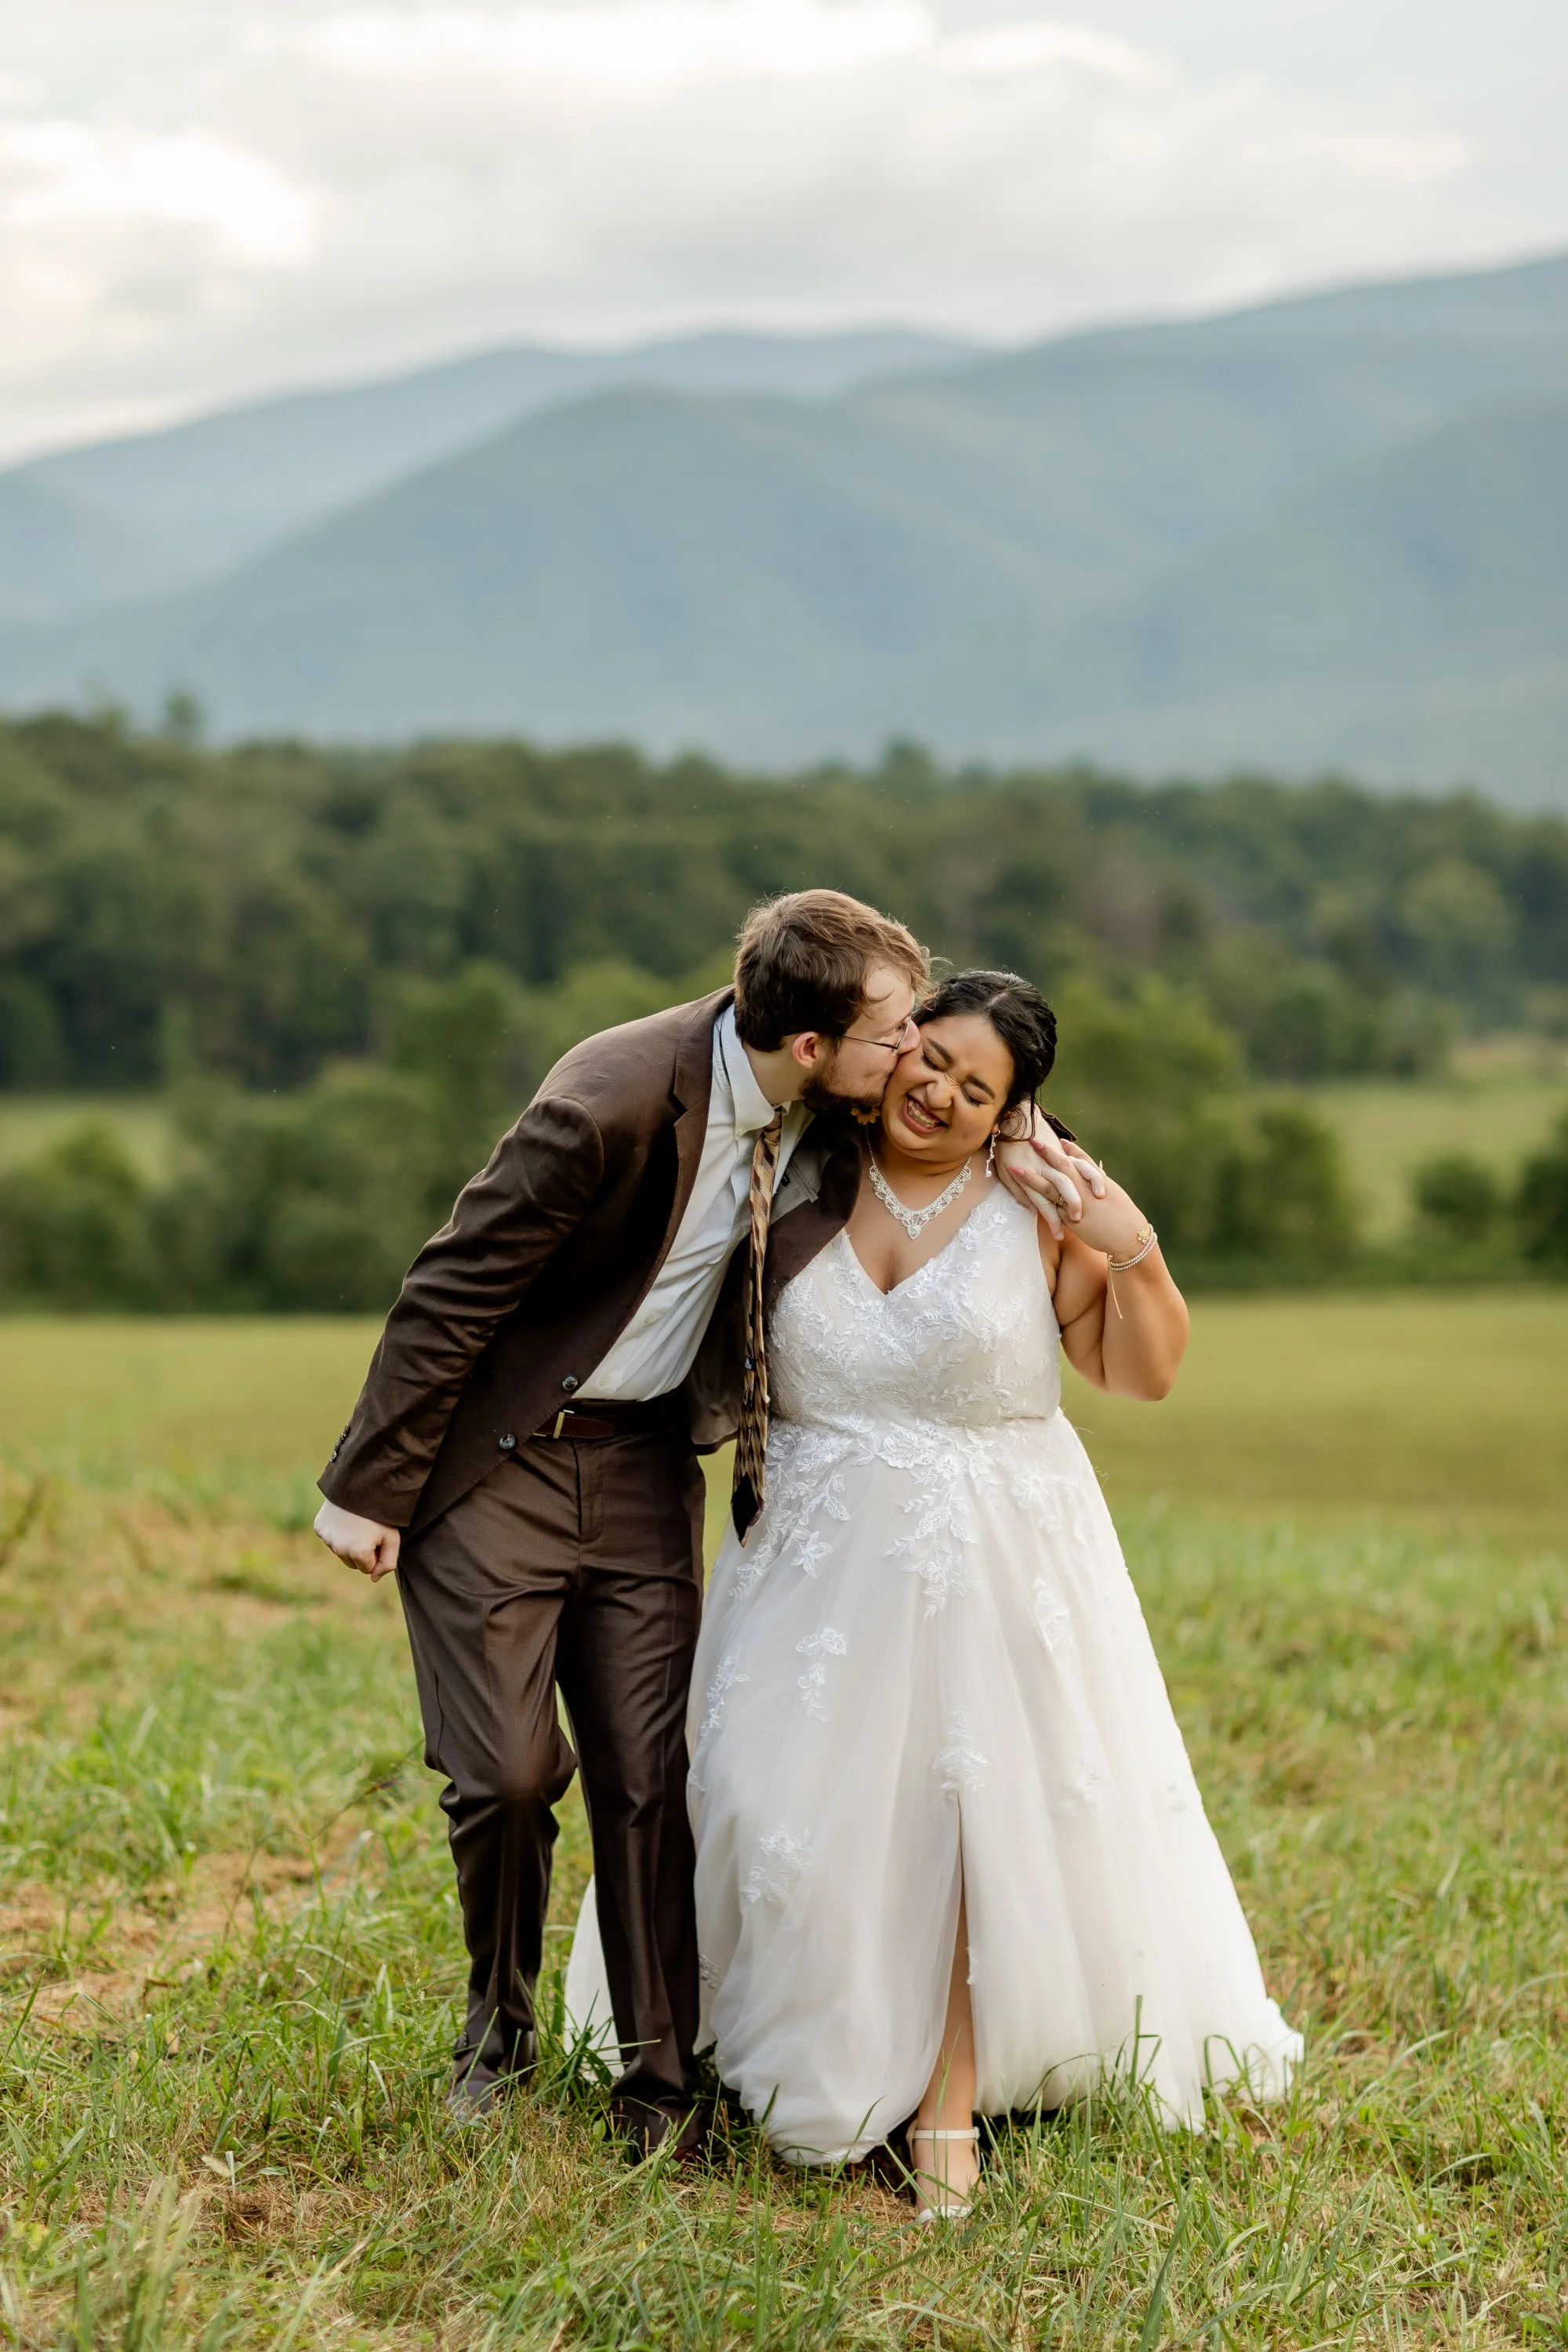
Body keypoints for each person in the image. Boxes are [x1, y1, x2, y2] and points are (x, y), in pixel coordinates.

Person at [312, 895, 1096, 2152]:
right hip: (503, 1463)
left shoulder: (833, 1111)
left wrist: (1036, 1151)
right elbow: (450, 1287)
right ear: (811, 1044)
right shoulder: (608, 1100)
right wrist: (367, 1487)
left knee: (654, 1777)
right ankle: (495, 2039)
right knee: (507, 1776)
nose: (911, 1052)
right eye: (895, 1030)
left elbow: (964, 1120)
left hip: (642, 1470)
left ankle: (661, 2090)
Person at [639, 969, 1301, 2214]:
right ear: (895, 1048)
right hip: (811, 1561)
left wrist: (1130, 1242)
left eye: (977, 1089)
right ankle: (795, 2042)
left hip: (1001, 1552)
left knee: (967, 1818)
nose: (939, 1094)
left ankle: (948, 2096)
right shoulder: (797, 1174)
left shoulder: (1036, 1206)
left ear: (1011, 1114)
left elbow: (1139, 1372)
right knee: (768, 1804)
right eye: (930, 1059)